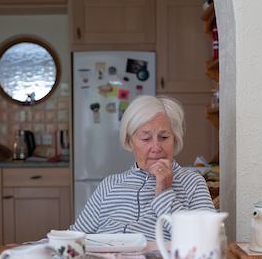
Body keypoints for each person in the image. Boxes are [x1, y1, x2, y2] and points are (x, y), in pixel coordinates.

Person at [70, 95, 215, 240]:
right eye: (146, 139)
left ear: (175, 139)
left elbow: (209, 239)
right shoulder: (109, 185)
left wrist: (164, 194)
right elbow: (74, 237)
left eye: (164, 137)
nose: (156, 147)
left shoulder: (193, 182)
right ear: (129, 141)